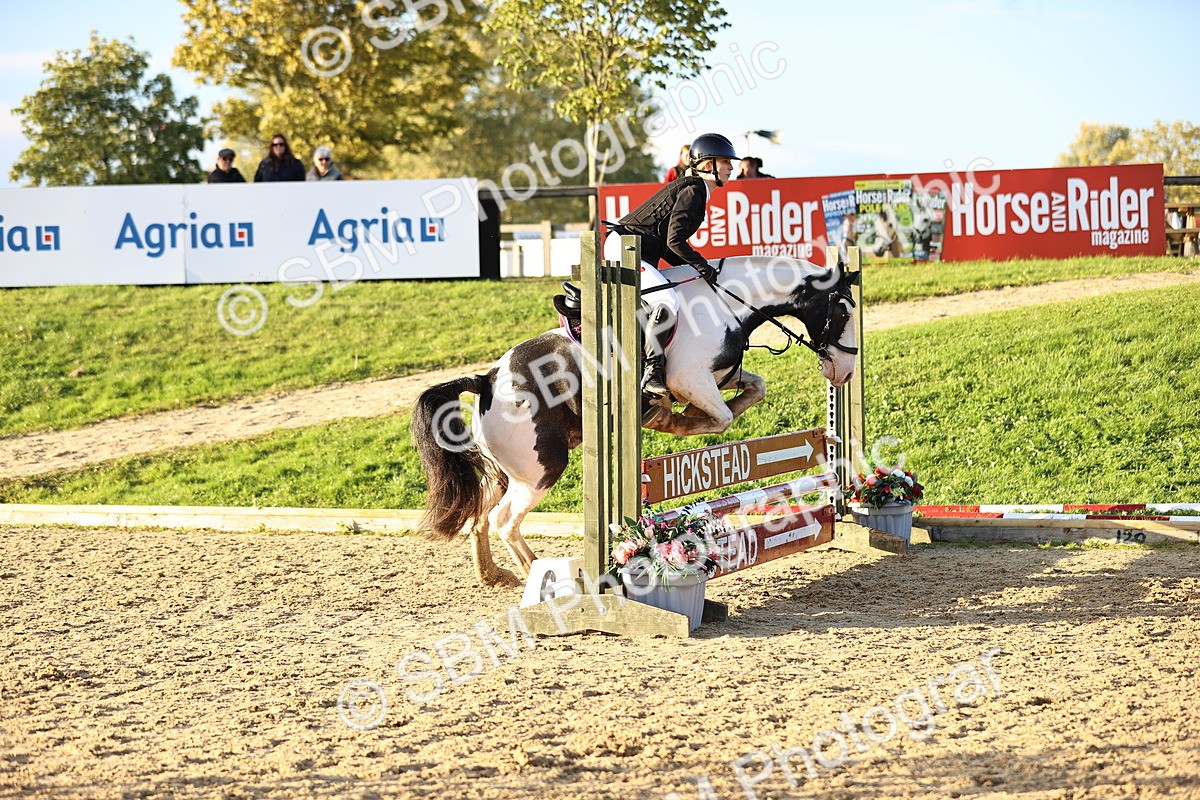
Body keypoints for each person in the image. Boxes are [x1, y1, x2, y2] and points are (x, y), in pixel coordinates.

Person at [607, 132, 740, 396]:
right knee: (666, 301)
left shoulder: (696, 190)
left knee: (673, 294)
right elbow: (675, 241)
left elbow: (669, 246)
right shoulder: (694, 191)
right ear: (708, 165)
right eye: (725, 161)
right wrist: (702, 267)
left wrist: (698, 268)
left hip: (636, 250)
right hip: (626, 248)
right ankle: (651, 372)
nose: (731, 167)